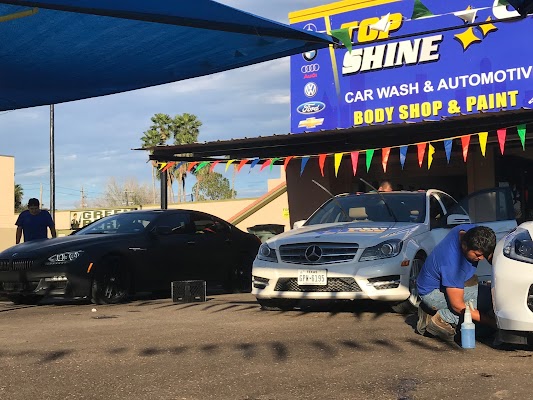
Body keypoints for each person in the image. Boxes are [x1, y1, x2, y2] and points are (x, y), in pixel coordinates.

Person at [415, 224, 496, 342]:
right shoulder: (453, 265)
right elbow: (458, 306)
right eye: (478, 255)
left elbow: (488, 253)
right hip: (433, 294)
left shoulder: (466, 232)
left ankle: (429, 313)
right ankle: (442, 318)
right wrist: (492, 322)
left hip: (445, 284)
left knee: (489, 304)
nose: (482, 258)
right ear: (464, 246)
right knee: (490, 302)